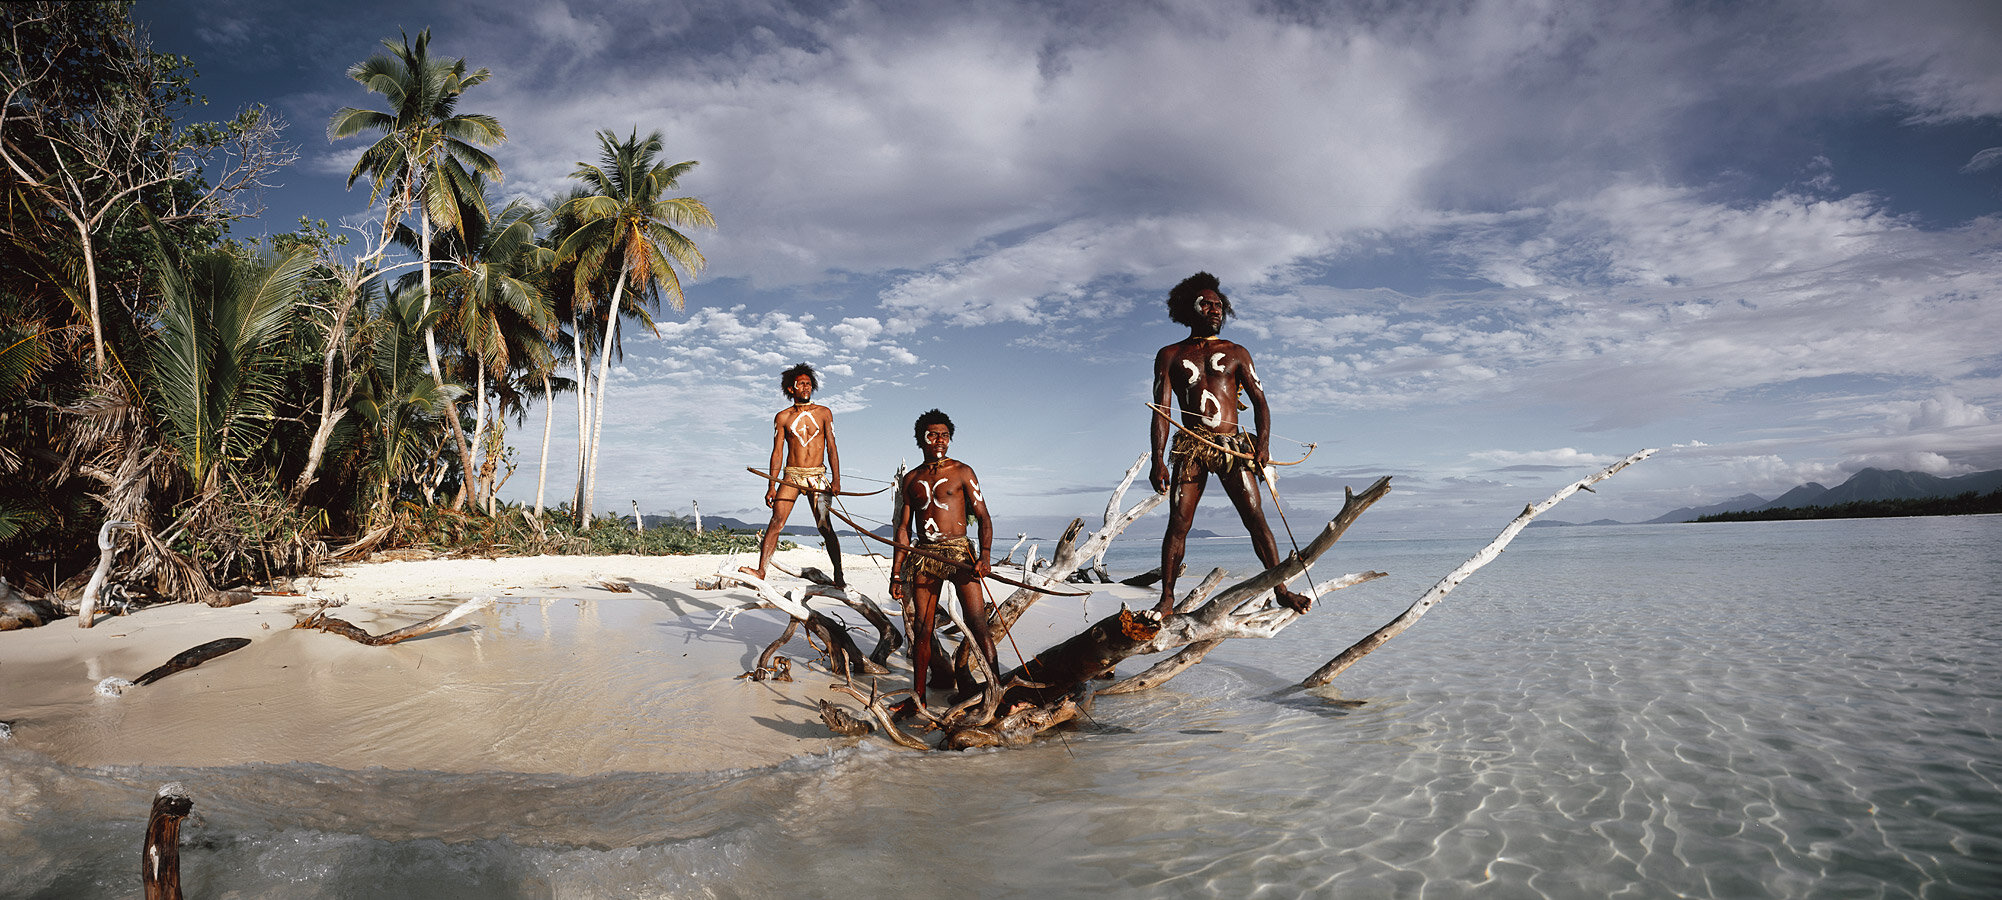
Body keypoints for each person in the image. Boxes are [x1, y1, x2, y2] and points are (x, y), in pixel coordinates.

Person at [1148, 272, 1312, 615]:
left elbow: (1261, 402)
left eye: (1219, 305)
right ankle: (1166, 599)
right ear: (1188, 308)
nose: (1214, 310)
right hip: (1192, 446)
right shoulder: (1170, 355)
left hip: (1232, 447)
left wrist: (1262, 445)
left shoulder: (1237, 352)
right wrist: (1158, 460)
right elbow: (1162, 412)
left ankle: (1280, 589)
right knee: (1179, 521)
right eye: (1206, 304)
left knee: (1255, 517)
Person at [889, 409, 1000, 708]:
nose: (939, 440)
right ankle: (919, 698)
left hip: (960, 553)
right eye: (932, 435)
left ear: (950, 439)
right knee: (922, 631)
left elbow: (984, 517)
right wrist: (895, 573)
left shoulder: (963, 471)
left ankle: (995, 695)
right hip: (925, 556)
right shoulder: (912, 478)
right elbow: (902, 529)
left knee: (978, 624)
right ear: (921, 439)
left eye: (944, 435)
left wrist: (985, 556)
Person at [743, 363, 845, 587]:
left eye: (809, 384)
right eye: (801, 384)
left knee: (824, 526)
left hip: (816, 475)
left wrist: (836, 480)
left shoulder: (824, 413)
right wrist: (771, 485)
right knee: (776, 522)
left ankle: (839, 575)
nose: (806, 388)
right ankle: (761, 571)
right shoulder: (782, 417)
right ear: (792, 388)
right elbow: (777, 452)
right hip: (791, 475)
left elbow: (832, 448)